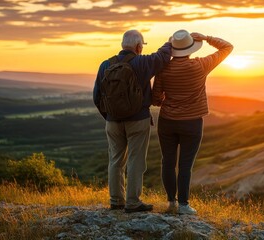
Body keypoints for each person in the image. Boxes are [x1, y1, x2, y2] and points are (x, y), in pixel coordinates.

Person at [152, 29, 233, 215]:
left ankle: (171, 202)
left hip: (168, 122)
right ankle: (183, 205)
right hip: (192, 123)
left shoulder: (163, 69)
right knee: (185, 165)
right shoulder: (200, 65)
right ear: (191, 48)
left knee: (167, 162)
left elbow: (156, 98)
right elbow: (227, 47)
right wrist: (207, 38)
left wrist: (167, 98)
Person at [93, 30, 172, 213]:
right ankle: (133, 202)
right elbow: (162, 57)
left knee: (115, 160)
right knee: (136, 161)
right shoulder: (142, 62)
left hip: (112, 122)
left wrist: (110, 117)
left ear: (122, 45)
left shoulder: (105, 64)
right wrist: (169, 42)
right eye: (142, 46)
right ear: (138, 47)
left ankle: (116, 201)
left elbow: (97, 96)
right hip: (138, 120)